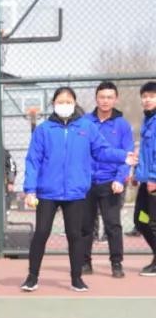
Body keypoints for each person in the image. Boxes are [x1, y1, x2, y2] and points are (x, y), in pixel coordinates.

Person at [22, 86, 136, 292]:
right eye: (60, 101)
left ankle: (76, 278)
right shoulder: (44, 130)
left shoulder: (86, 127)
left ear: (74, 103)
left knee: (75, 235)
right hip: (47, 192)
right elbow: (33, 161)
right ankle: (32, 276)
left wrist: (122, 157)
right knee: (41, 233)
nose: (64, 105)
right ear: (53, 104)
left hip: (75, 192)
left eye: (68, 101)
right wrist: (30, 190)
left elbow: (102, 151)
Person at [81, 82, 133, 278]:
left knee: (112, 225)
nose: (105, 101)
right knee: (85, 225)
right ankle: (85, 262)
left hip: (111, 182)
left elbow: (127, 155)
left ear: (115, 99)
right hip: (87, 182)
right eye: (102, 97)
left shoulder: (122, 125)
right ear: (96, 98)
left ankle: (116, 264)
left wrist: (120, 178)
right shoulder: (85, 122)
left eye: (109, 97)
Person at [133, 81, 156, 275]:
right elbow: (145, 153)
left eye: (152, 96)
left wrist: (154, 179)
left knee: (153, 222)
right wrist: (137, 174)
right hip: (145, 180)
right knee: (141, 220)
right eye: (145, 96)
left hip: (153, 182)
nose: (147, 100)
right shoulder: (148, 120)